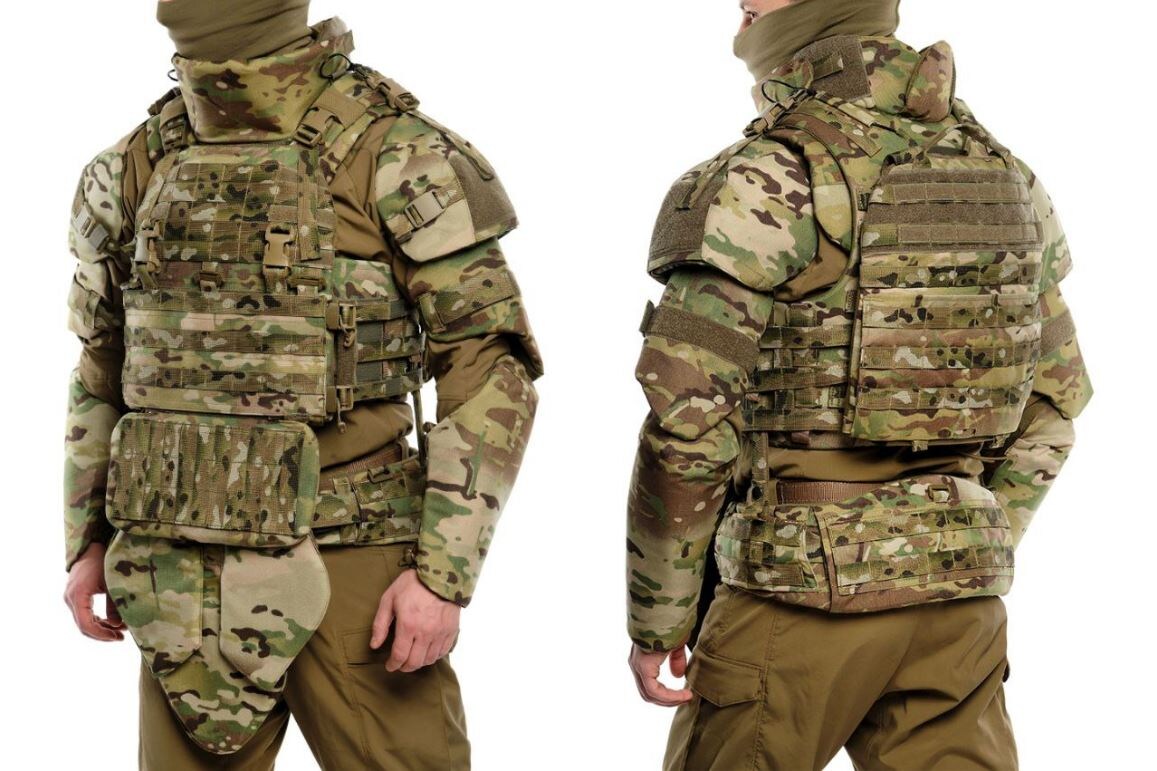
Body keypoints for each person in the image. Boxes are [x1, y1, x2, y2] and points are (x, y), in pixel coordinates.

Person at [61, 1, 542, 768]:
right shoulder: (137, 162)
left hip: (354, 556)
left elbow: (490, 367)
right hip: (176, 564)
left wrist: (442, 575)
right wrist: (87, 538)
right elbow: (103, 361)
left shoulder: (395, 152)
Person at [625, 0, 1092, 768]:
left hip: (792, 602)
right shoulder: (1007, 176)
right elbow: (1056, 398)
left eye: (756, 4)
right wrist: (959, 536)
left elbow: (687, 418)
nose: (740, 15)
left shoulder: (766, 176)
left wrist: (659, 616)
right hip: (958, 612)